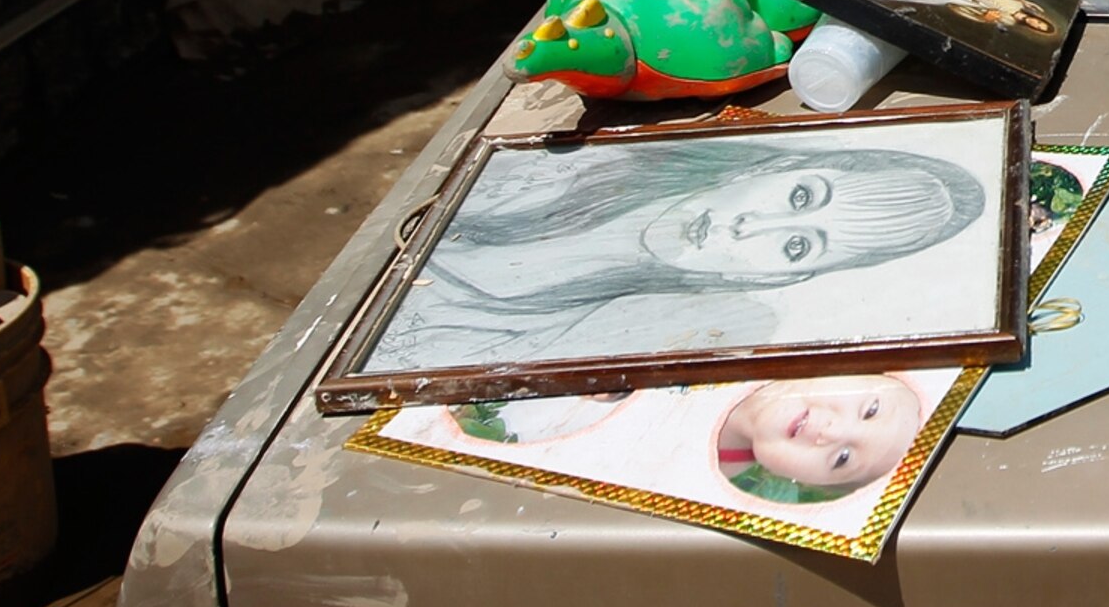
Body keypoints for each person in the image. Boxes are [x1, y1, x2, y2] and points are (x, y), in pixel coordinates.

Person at [366, 138, 988, 371]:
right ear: (786, 162)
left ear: (789, 275)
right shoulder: (552, 165)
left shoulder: (566, 339)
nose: (751, 225)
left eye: (797, 244)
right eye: (801, 194)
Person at [715, 374, 927, 504]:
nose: (832, 433)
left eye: (843, 458)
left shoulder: (739, 492)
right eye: (870, 410)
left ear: (811, 484)